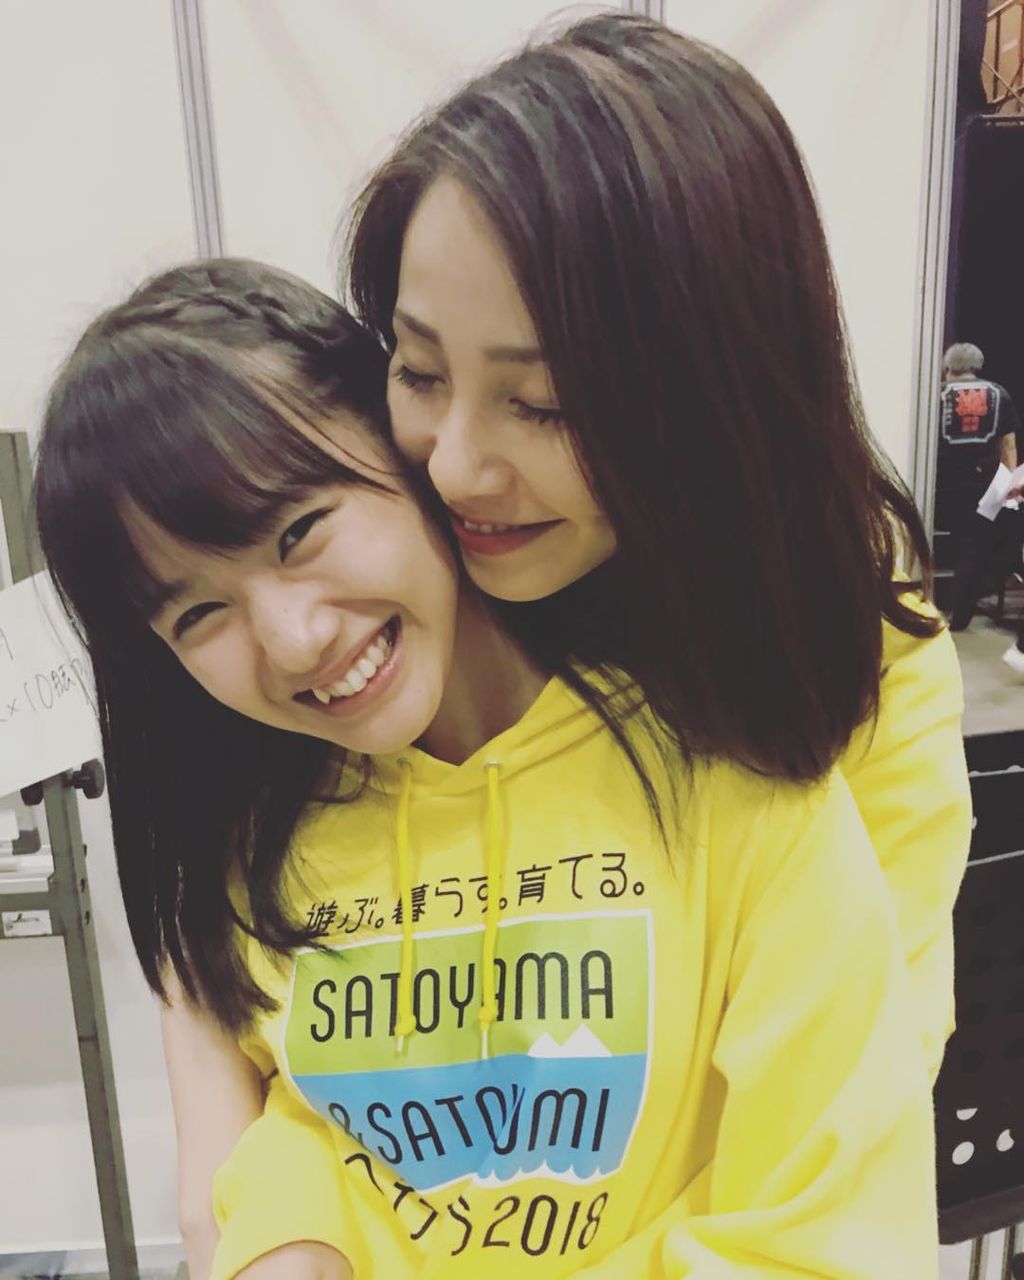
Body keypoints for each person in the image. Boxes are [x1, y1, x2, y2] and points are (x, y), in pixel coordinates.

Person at [33, 258, 939, 1279]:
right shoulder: (264, 856)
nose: (292, 640)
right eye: (200, 612)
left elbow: (835, 1230)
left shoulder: (732, 770)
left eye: (299, 530)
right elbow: (319, 1127)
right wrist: (284, 1233)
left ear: (407, 449)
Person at [346, 12, 971, 1082]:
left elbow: (867, 1082)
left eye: (541, 403)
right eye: (418, 372)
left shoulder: (850, 641)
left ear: (716, 391)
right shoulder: (393, 571)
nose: (453, 466)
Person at [936, 341, 1020, 631]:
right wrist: (1010, 484)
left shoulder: (939, 394)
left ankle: (934, 605)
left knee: (947, 543)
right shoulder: (999, 394)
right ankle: (960, 617)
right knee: (973, 549)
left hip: (944, 482)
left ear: (949, 366)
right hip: (986, 483)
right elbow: (1008, 444)